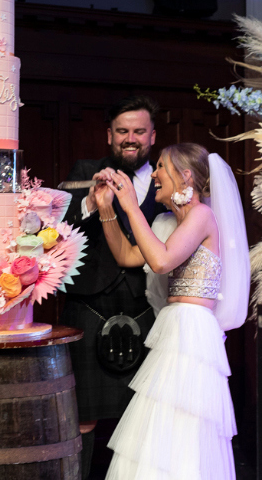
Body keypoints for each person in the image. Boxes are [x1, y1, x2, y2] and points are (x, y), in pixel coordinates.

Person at [92, 143, 248, 479]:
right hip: (174, 328)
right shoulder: (168, 222)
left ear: (186, 175)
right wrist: (108, 209)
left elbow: (160, 261)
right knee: (160, 424)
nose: (156, 174)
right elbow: (127, 255)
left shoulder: (202, 216)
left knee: (184, 425)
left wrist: (131, 205)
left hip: (192, 333)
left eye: (161, 166)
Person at [60, 95, 164, 477]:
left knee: (141, 414)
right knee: (84, 417)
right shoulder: (85, 171)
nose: (130, 138)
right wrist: (89, 203)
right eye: (122, 131)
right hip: (88, 307)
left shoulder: (165, 180)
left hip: (146, 309)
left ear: (153, 135)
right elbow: (54, 229)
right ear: (109, 135)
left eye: (139, 131)